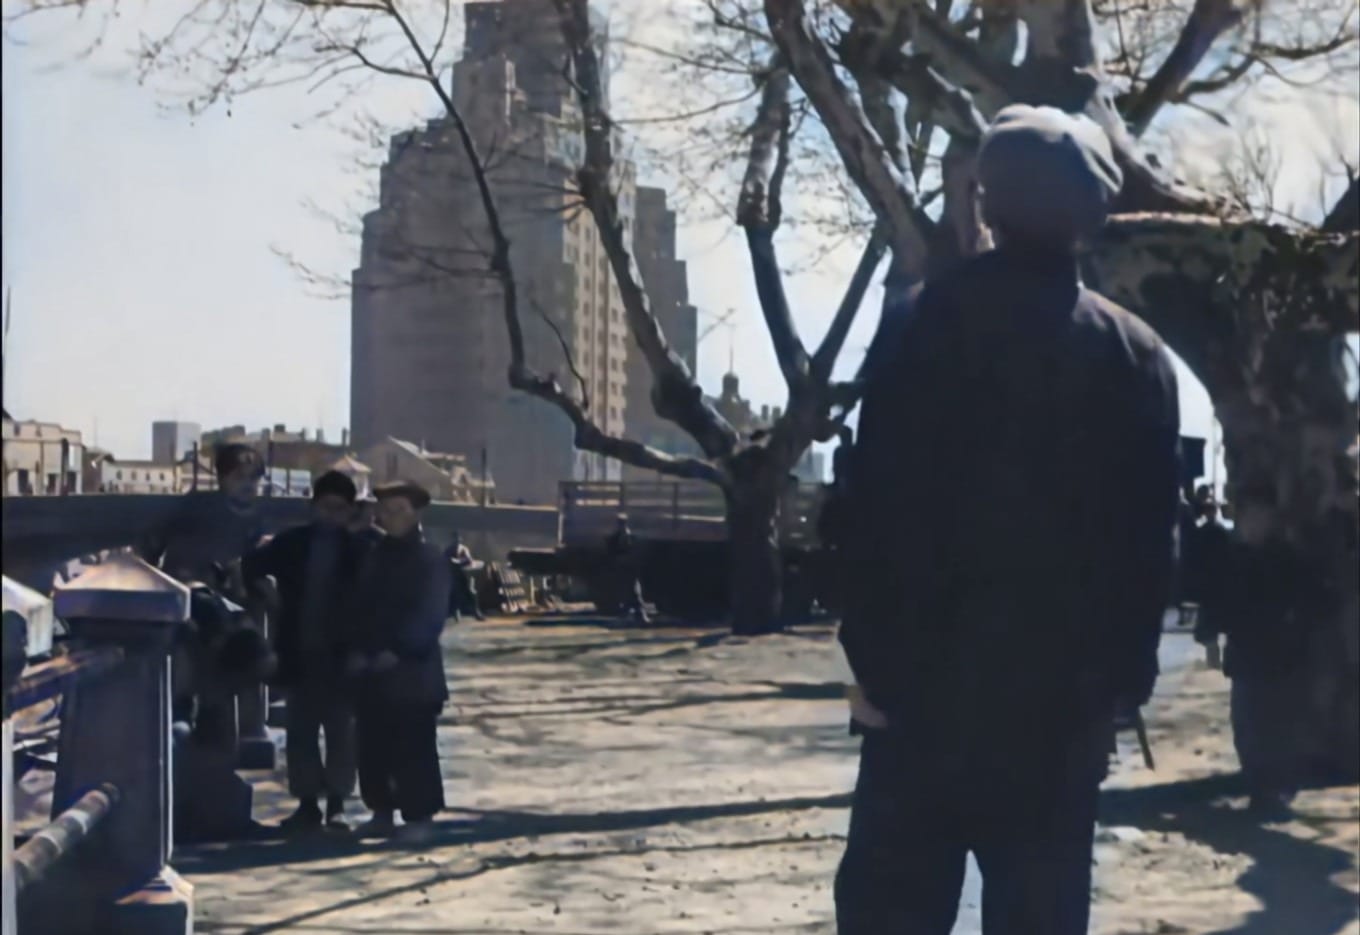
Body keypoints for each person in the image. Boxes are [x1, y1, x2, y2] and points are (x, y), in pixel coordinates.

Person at [835, 104, 1181, 935]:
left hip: (918, 698)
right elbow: (1149, 551)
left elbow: (865, 507)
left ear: (986, 203)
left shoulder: (915, 322)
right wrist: (1119, 689)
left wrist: (870, 663)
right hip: (1056, 716)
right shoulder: (1136, 356)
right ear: (1094, 217)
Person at [242, 470, 365, 832]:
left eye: (339, 508)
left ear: (349, 511)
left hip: (342, 655)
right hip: (298, 650)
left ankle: (338, 805)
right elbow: (251, 566)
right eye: (325, 506)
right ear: (313, 507)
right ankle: (308, 804)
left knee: (341, 734)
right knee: (301, 733)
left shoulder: (360, 548)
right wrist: (268, 594)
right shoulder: (291, 543)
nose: (331, 514)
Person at [347, 479, 451, 842]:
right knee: (372, 746)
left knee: (414, 747)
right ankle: (381, 811)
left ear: (416, 513)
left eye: (399, 510)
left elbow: (430, 616)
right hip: (371, 669)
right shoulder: (374, 556)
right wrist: (359, 650)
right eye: (385, 510)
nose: (390, 518)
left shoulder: (430, 559)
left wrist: (399, 650)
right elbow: (357, 608)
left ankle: (419, 816)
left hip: (413, 672)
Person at [606, 514, 650, 624]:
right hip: (624, 566)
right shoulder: (618, 537)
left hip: (628, 566)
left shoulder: (627, 536)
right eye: (621, 522)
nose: (622, 525)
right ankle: (635, 614)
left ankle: (630, 613)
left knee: (632, 591)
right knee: (632, 591)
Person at [444, 531, 485, 622]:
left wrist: (458, 561)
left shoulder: (463, 549)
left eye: (458, 539)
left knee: (471, 593)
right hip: (453, 577)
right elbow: (445, 561)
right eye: (455, 539)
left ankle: (476, 612)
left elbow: (469, 560)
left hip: (465, 575)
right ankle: (455, 613)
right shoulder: (448, 550)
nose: (457, 541)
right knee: (453, 594)